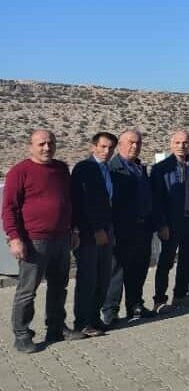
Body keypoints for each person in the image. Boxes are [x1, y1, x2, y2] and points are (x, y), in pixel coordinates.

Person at [3, 130, 75, 352]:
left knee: (58, 286)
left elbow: (69, 201)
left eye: (51, 143)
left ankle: (56, 327)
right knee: (27, 290)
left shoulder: (61, 169)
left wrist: (74, 230)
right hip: (34, 241)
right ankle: (22, 334)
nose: (46, 147)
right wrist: (15, 238)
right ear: (30, 146)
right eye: (41, 143)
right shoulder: (19, 172)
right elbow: (8, 209)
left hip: (61, 238)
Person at [150, 131, 189, 312]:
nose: (181, 146)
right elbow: (156, 200)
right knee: (166, 262)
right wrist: (161, 225)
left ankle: (180, 295)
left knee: (188, 259)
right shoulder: (161, 169)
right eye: (177, 142)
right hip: (171, 223)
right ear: (171, 144)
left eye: (184, 142)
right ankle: (159, 300)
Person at [103, 130, 155, 325]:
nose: (135, 146)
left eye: (138, 143)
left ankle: (135, 305)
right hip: (122, 229)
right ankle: (110, 311)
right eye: (131, 142)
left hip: (143, 228)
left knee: (139, 268)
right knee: (117, 271)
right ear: (120, 145)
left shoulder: (139, 167)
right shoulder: (113, 169)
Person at [70, 132, 118, 337]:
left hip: (108, 231)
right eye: (103, 147)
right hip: (90, 233)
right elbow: (80, 203)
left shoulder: (108, 169)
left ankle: (95, 317)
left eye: (110, 148)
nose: (107, 151)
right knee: (87, 279)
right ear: (94, 146)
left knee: (103, 277)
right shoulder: (84, 169)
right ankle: (82, 322)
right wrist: (95, 229)